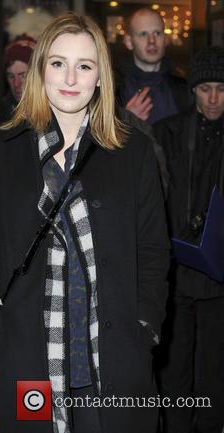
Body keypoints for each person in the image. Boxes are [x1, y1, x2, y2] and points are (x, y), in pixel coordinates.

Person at [0, 12, 170, 433]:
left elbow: (152, 248)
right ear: (41, 71)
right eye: (58, 63)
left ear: (100, 77)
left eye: (85, 65)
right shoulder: (5, 149)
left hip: (109, 360)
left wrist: (145, 324)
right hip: (24, 355)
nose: (70, 77)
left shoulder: (133, 153)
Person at [153, 46, 224, 433]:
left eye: (221, 88)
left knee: (214, 370)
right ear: (193, 90)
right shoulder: (168, 132)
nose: (213, 98)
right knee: (176, 367)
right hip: (177, 270)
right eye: (205, 88)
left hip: (219, 274)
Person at [116, 7, 189, 124]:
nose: (152, 41)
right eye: (144, 34)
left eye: (157, 33)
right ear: (129, 42)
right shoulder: (112, 89)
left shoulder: (184, 88)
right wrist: (126, 122)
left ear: (165, 39)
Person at [0, 34, 36, 131]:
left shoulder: (58, 114)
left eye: (23, 76)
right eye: (11, 76)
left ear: (39, 75)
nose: (16, 84)